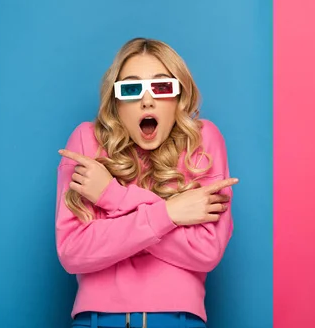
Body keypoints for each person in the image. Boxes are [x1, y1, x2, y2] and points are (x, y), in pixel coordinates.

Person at [56, 38, 237, 328]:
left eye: (162, 86)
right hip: (96, 321)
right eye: (130, 88)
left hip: (179, 321)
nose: (147, 100)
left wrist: (113, 196)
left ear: (179, 96)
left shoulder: (201, 143)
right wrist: (172, 213)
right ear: (116, 101)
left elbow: (206, 251)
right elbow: (73, 251)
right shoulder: (86, 141)